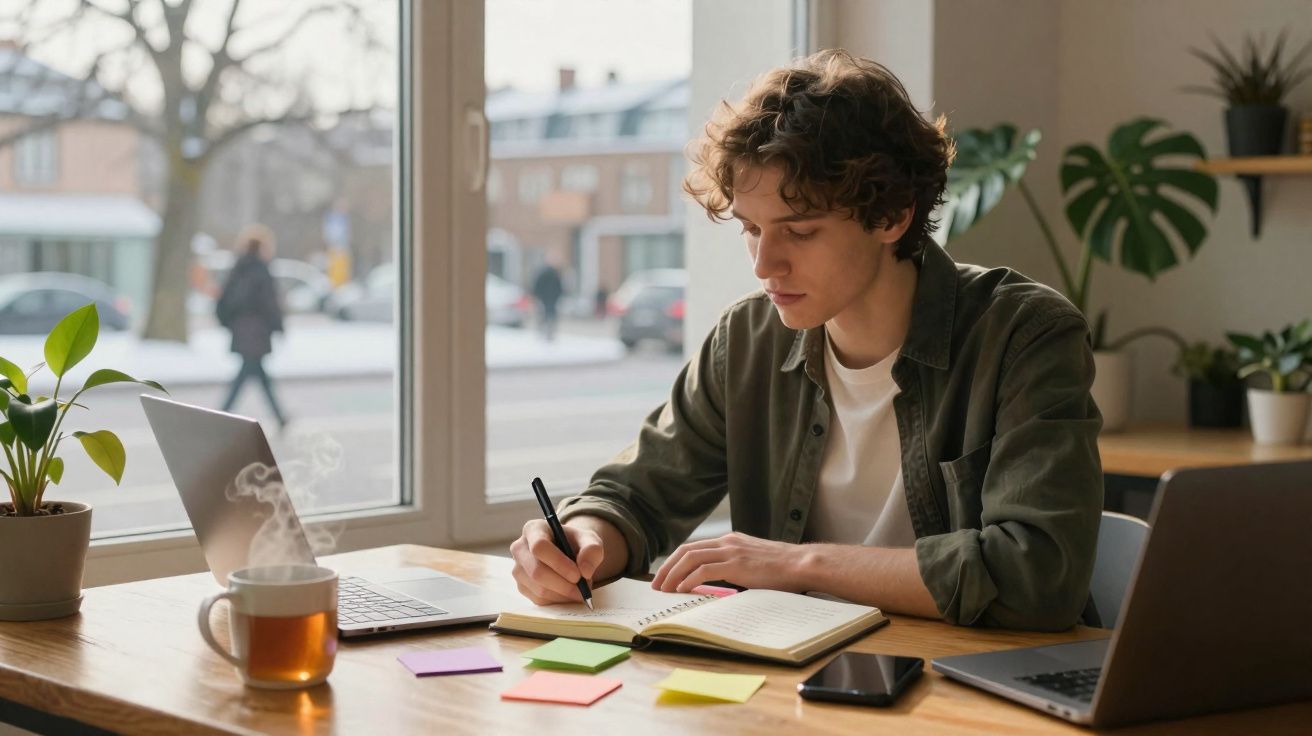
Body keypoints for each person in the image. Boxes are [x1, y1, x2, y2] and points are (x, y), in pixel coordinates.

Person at [509, 50, 1103, 632]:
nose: (765, 265)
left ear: (892, 215)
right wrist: (583, 539)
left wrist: (796, 563)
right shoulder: (746, 339)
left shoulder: (1023, 335)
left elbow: (1037, 575)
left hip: (977, 685)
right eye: (751, 229)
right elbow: (635, 497)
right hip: (798, 681)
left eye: (800, 231)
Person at [218, 224, 290, 431]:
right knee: (248, 374)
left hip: (241, 330)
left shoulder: (238, 267)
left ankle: (279, 417)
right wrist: (279, 325)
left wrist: (230, 324)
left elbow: (224, 300)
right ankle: (223, 413)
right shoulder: (260, 269)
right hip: (257, 332)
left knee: (256, 374)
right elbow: (269, 302)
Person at [531, 259, 565, 341]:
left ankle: (543, 331)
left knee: (543, 315)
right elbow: (560, 288)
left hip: (545, 298)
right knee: (551, 315)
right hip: (552, 298)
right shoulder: (555, 275)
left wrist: (537, 295)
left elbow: (537, 286)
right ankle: (549, 332)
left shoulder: (543, 274)